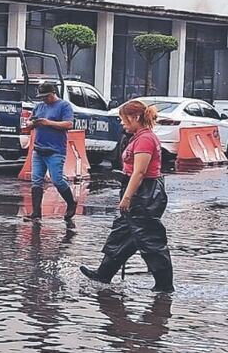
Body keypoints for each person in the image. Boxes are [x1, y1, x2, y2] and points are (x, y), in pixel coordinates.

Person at [80, 100, 174, 292]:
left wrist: (127, 197)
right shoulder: (137, 137)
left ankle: (164, 286)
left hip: (145, 194)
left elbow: (140, 172)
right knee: (122, 234)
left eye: (123, 119)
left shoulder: (145, 139)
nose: (122, 123)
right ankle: (104, 274)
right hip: (138, 190)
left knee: (150, 239)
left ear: (135, 118)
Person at [27, 82, 78, 220]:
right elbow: (28, 122)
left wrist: (48, 122)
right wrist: (32, 123)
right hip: (39, 149)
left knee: (57, 179)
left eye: (46, 96)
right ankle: (36, 213)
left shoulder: (64, 106)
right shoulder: (39, 107)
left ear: (53, 93)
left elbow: (68, 124)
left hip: (55, 150)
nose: (44, 99)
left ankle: (71, 203)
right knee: (36, 180)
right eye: (42, 97)